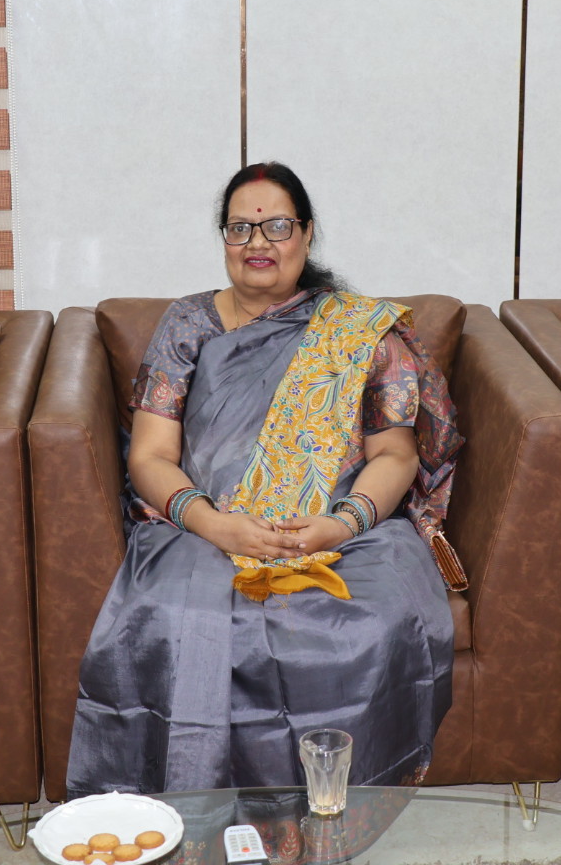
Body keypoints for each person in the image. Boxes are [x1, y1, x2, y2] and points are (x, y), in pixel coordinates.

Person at [68, 161, 463, 794]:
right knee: (179, 620)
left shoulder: (358, 330)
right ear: (223, 238)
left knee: (369, 625)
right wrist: (217, 525)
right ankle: (194, 812)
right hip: (199, 530)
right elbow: (150, 457)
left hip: (344, 531)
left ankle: (326, 812)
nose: (258, 242)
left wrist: (339, 524)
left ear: (307, 234)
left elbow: (396, 455)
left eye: (277, 226)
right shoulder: (187, 324)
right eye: (240, 228)